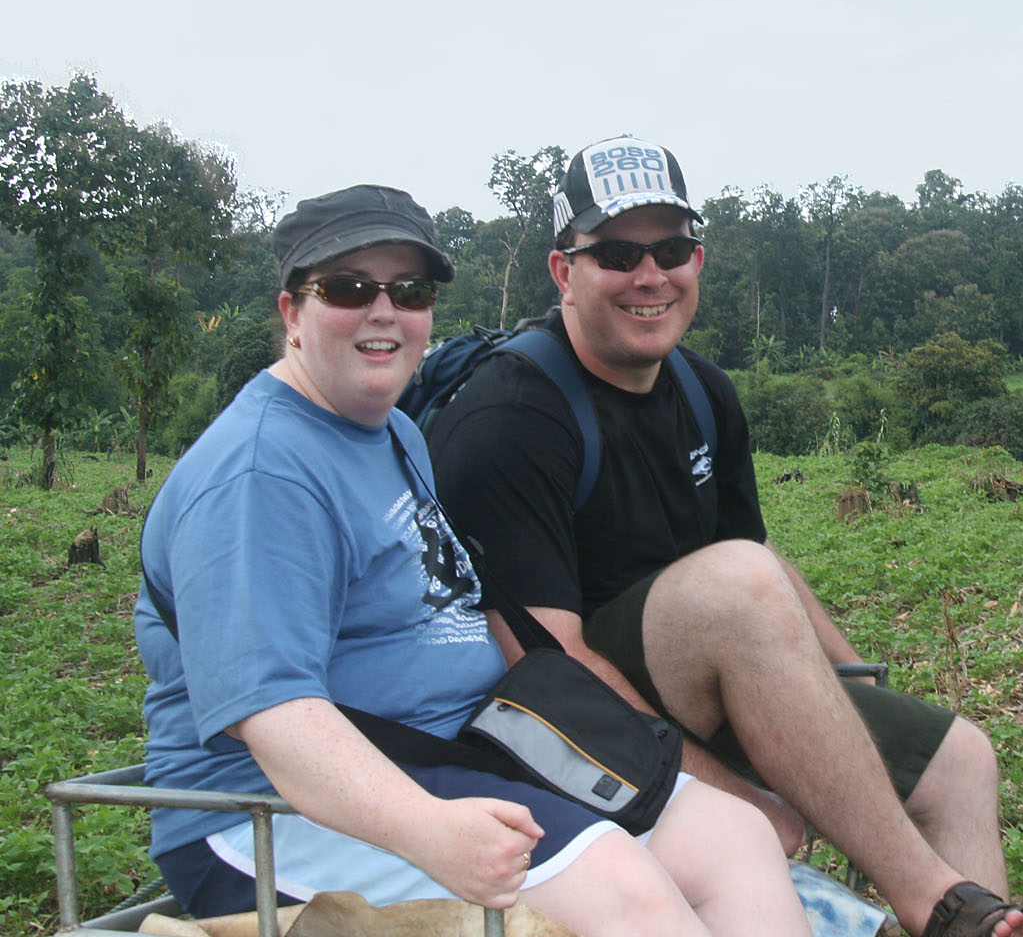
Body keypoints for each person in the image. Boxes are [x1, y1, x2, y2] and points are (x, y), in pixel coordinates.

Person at [427, 135, 1023, 937]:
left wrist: (854, 698)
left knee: (957, 760)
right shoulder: (512, 416)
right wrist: (721, 794)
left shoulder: (703, 392)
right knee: (734, 583)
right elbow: (544, 665)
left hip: (698, 673)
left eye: (672, 248)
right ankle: (936, 900)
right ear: (565, 271)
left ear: (699, 258)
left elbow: (765, 559)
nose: (650, 275)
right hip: (560, 722)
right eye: (618, 253)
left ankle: (970, 917)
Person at [134, 184, 811, 937]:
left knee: (734, 836)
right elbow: (278, 719)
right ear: (294, 311)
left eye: (411, 291)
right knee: (628, 893)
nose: (384, 311)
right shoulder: (263, 475)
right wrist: (428, 827)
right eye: (350, 289)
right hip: (273, 815)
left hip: (458, 750)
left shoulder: (391, 431)